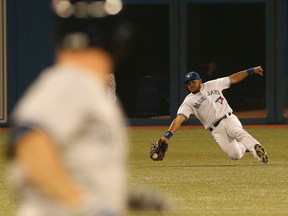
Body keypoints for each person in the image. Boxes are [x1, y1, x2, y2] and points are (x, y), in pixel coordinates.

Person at [7, 0, 131, 215]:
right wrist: (84, 204)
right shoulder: (73, 81)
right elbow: (29, 142)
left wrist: (119, 198)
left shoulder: (86, 86)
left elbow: (78, 163)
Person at [158, 66, 268, 163]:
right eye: (188, 83)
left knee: (237, 132)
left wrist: (251, 70)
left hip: (228, 117)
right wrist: (167, 135)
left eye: (193, 81)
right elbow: (179, 119)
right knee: (235, 155)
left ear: (200, 81)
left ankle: (258, 152)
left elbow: (232, 78)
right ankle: (245, 147)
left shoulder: (213, 84)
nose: (191, 85)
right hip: (215, 129)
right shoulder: (189, 101)